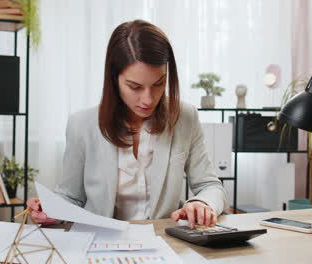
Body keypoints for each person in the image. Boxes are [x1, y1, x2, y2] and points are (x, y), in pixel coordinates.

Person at [27, 20, 228, 228]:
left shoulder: (185, 117)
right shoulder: (81, 125)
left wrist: (201, 202)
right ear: (114, 79)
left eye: (158, 84)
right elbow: (71, 197)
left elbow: (211, 186)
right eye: (135, 87)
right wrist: (52, 210)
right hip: (99, 244)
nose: (148, 99)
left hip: (164, 244)